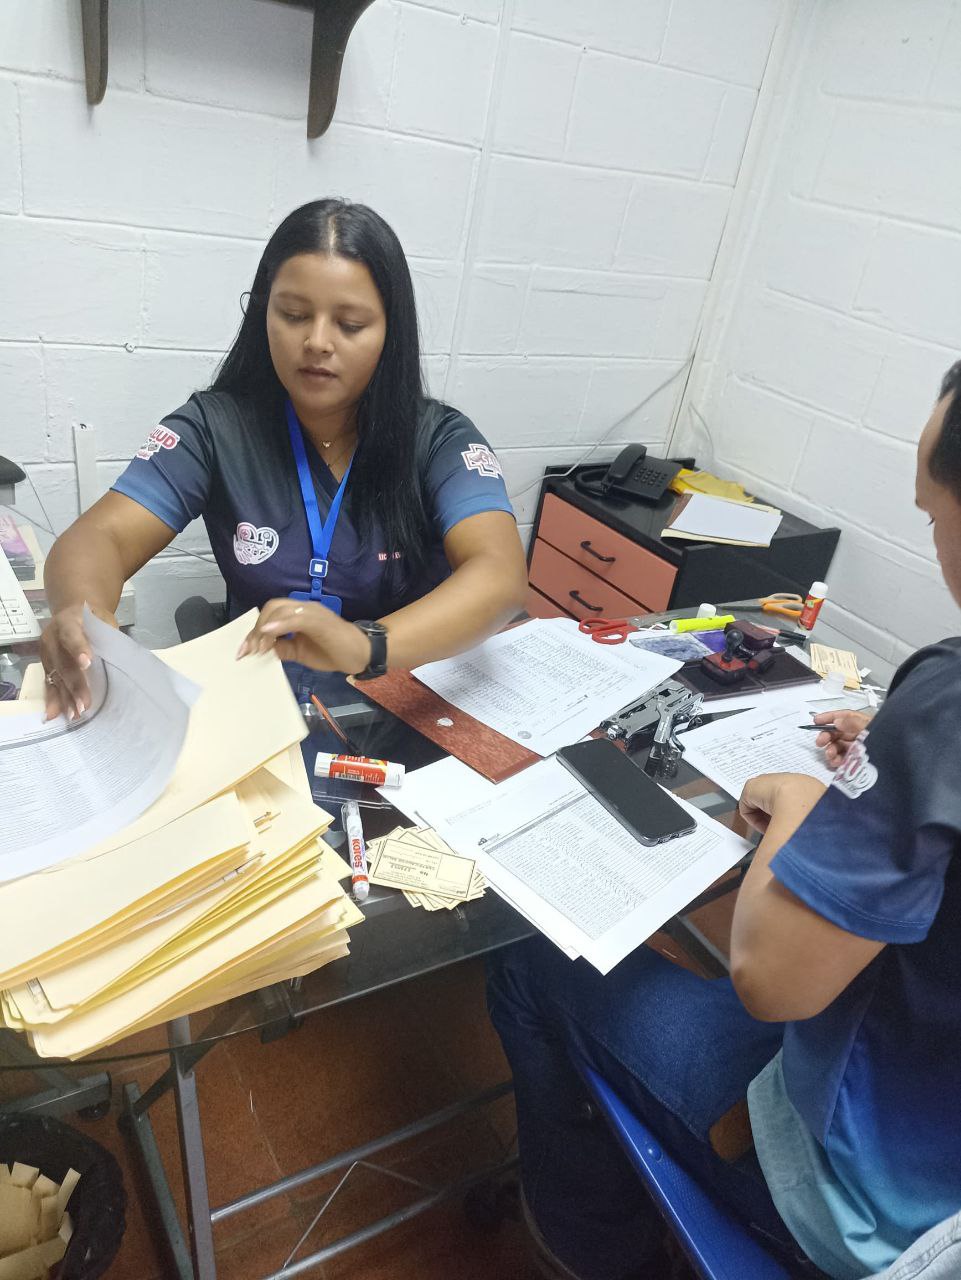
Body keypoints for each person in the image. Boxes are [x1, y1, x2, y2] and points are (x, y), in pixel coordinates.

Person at [488, 362, 961, 1280]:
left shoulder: (948, 701)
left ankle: (593, 1244)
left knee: (527, 966)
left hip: (874, 1207)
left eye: (933, 516)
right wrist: (901, 749)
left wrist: (801, 801)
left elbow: (769, 983)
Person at [39, 199, 527, 751]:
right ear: (263, 314)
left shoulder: (438, 439)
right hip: (260, 715)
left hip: (402, 716)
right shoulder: (215, 429)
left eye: (350, 324)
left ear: (390, 332)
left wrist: (367, 644)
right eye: (293, 315)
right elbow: (100, 536)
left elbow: (500, 574)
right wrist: (81, 613)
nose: (317, 341)